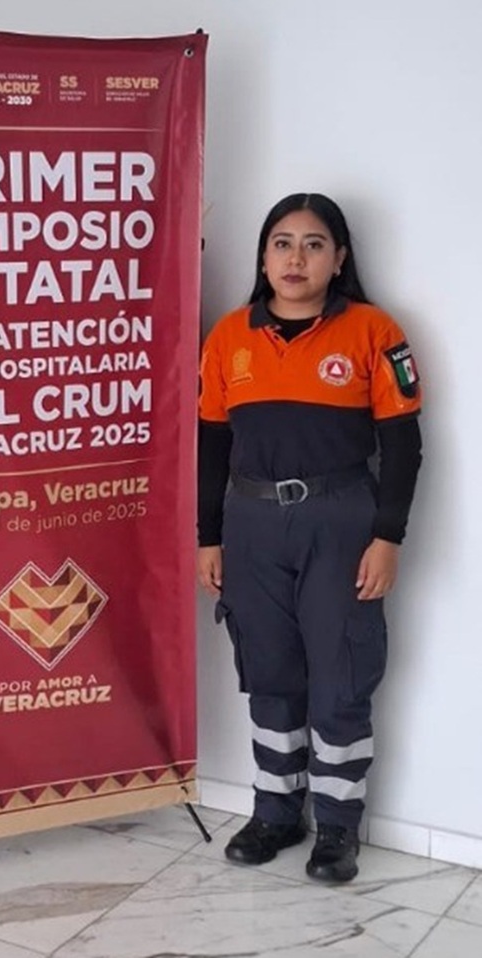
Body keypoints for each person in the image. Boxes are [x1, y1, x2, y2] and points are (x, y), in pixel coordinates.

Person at [197, 193, 422, 883]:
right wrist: (210, 537)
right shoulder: (229, 336)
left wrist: (387, 537)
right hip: (252, 523)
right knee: (269, 671)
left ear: (340, 258)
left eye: (314, 244)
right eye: (282, 243)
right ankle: (275, 812)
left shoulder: (372, 331)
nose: (296, 258)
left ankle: (337, 827)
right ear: (264, 257)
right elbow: (211, 444)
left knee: (341, 674)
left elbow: (404, 446)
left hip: (340, 520)